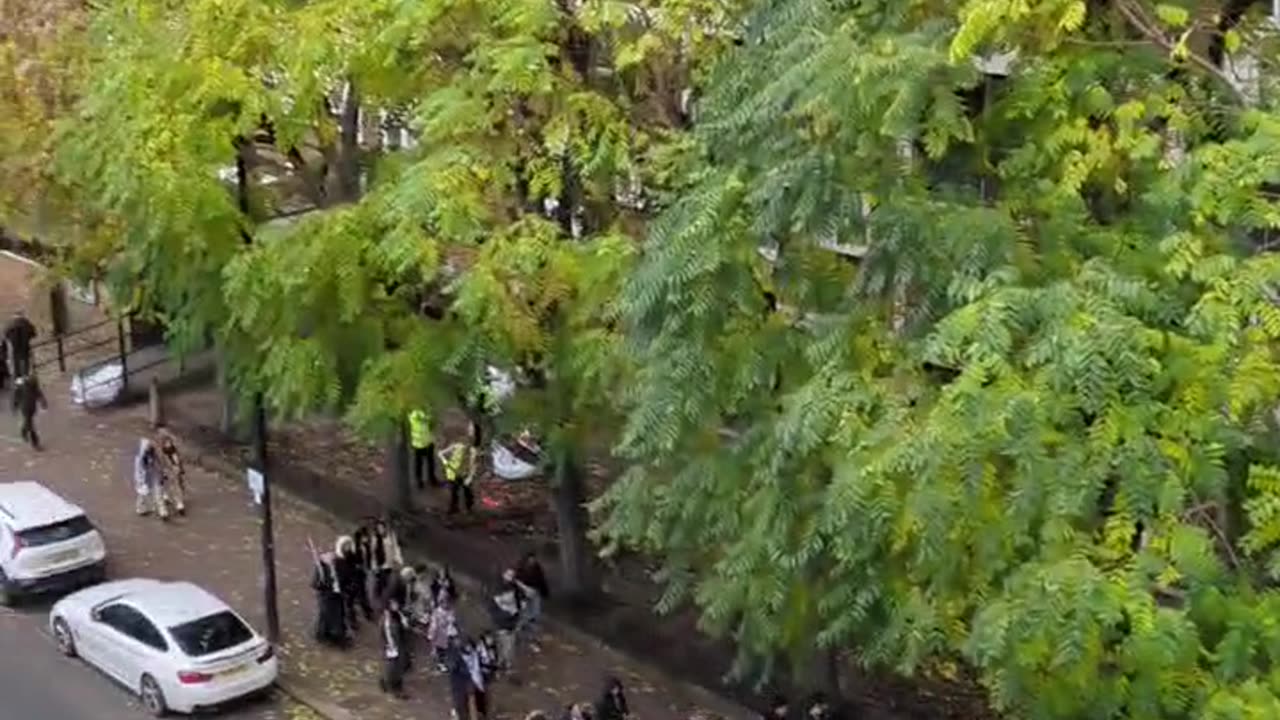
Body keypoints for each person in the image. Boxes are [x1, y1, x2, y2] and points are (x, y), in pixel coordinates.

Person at [311, 551, 351, 648]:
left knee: (339, 616)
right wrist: (324, 583)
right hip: (326, 597)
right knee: (326, 617)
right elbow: (315, 584)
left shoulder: (339, 565)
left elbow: (345, 578)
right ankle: (325, 635)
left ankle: (339, 636)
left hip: (337, 596)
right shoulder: (320, 569)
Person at [490, 568, 524, 672]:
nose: (510, 578)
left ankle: (506, 663)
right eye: (508, 575)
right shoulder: (497, 589)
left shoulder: (515, 588)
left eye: (512, 576)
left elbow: (520, 599)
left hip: (512, 620)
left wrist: (519, 609)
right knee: (504, 642)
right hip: (502, 620)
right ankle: (502, 662)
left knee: (510, 643)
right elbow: (493, 606)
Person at [440, 427, 478, 514]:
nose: (464, 444)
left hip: (465, 474)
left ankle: (469, 508)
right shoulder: (456, 446)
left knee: (467, 491)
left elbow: (474, 465)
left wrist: (470, 477)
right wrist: (444, 461)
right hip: (453, 474)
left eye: (467, 442)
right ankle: (454, 508)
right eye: (463, 442)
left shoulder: (472, 451)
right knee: (454, 491)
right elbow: (441, 453)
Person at [515, 550, 549, 643]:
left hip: (535, 592)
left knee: (535, 613)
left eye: (534, 559)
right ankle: (518, 630)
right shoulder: (521, 567)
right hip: (524, 593)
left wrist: (544, 592)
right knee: (525, 613)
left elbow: (541, 580)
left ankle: (533, 634)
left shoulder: (537, 567)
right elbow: (516, 580)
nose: (533, 561)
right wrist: (525, 589)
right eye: (531, 559)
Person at [379, 595, 409, 699]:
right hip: (393, 646)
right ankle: (392, 686)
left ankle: (390, 683)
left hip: (399, 644)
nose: (397, 606)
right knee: (393, 667)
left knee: (397, 666)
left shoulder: (398, 615)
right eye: (394, 604)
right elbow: (387, 632)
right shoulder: (387, 619)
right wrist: (390, 645)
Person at [334, 536, 366, 631]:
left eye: (349, 544)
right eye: (345, 545)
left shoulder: (352, 556)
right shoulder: (338, 559)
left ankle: (352, 621)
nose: (347, 547)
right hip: (343, 583)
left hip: (352, 583)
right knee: (345, 604)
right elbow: (339, 573)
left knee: (350, 603)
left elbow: (357, 566)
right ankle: (344, 621)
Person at [155, 428, 186, 518]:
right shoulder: (159, 452)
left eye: (169, 441)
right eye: (165, 442)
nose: (168, 444)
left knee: (176, 485)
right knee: (163, 485)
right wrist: (162, 472)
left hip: (174, 471)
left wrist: (180, 468)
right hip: (164, 471)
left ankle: (179, 503)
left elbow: (178, 460)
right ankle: (165, 497)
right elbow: (158, 463)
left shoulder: (174, 450)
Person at [11, 374, 46, 450]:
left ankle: (23, 431)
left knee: (28, 423)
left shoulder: (34, 387)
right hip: (25, 409)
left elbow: (40, 394)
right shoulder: (21, 386)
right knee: (31, 426)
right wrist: (15, 407)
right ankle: (35, 443)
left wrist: (43, 402)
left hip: (32, 408)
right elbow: (16, 397)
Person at [371, 518, 403, 602]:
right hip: (380, 565)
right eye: (379, 528)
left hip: (390, 564)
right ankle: (378, 599)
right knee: (380, 583)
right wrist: (374, 565)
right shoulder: (375, 539)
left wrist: (399, 560)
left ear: (385, 528)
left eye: (382, 528)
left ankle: (389, 599)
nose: (381, 530)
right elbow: (373, 553)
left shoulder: (391, 537)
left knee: (390, 583)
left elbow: (396, 549)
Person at [428, 593, 459, 672]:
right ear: (441, 603)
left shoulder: (451, 611)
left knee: (452, 649)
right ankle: (441, 664)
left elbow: (454, 621)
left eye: (447, 602)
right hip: (440, 634)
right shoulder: (436, 613)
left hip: (450, 633)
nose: (446, 604)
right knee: (441, 650)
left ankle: (452, 663)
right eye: (444, 602)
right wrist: (431, 635)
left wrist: (453, 625)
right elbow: (433, 625)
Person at [408, 407, 438, 488]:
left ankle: (420, 481)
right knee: (429, 462)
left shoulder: (412, 415)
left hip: (419, 443)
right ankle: (431, 479)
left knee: (420, 464)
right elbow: (431, 423)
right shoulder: (422, 415)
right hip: (425, 443)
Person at [4, 310, 36, 378]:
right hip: (25, 346)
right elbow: (33, 333)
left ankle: (17, 377)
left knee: (15, 362)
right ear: (22, 315)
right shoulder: (26, 323)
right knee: (25, 360)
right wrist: (28, 337)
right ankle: (26, 376)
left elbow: (5, 334)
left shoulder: (10, 324)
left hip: (14, 347)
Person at [133, 438, 160, 516]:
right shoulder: (140, 458)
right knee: (143, 492)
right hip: (142, 476)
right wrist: (140, 480)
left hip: (149, 474)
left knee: (149, 490)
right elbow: (139, 469)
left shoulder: (150, 453)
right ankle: (141, 508)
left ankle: (149, 507)